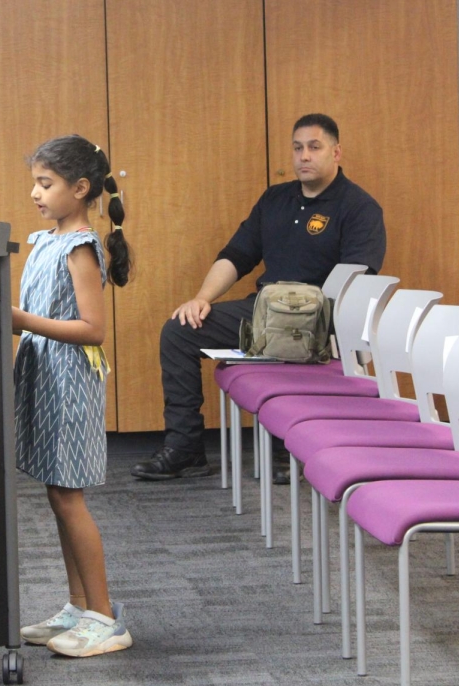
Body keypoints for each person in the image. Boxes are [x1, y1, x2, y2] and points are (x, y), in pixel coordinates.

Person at [130, 113, 386, 484]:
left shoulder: (359, 207)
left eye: (315, 147)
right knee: (179, 330)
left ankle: (287, 448)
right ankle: (185, 448)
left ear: (336, 152)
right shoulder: (275, 199)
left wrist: (305, 318)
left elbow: (358, 283)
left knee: (289, 342)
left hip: (322, 320)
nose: (304, 156)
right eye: (297, 148)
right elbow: (237, 255)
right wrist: (201, 298)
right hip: (264, 311)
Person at [12, 134, 134, 657]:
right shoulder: (46, 241)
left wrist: (19, 321)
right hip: (45, 376)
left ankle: (105, 616)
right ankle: (78, 604)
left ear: (81, 189)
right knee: (55, 493)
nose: (36, 193)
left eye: (46, 183)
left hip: (70, 383)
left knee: (68, 495)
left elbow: (92, 329)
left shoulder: (81, 248)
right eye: (35, 183)